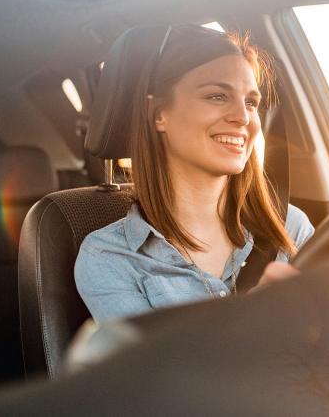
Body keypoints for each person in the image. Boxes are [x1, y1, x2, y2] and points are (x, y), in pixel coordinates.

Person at [75, 25, 314, 322]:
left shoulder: (290, 227)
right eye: (217, 96)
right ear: (159, 114)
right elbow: (158, 369)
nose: (243, 118)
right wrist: (254, 324)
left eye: (251, 102)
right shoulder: (109, 257)